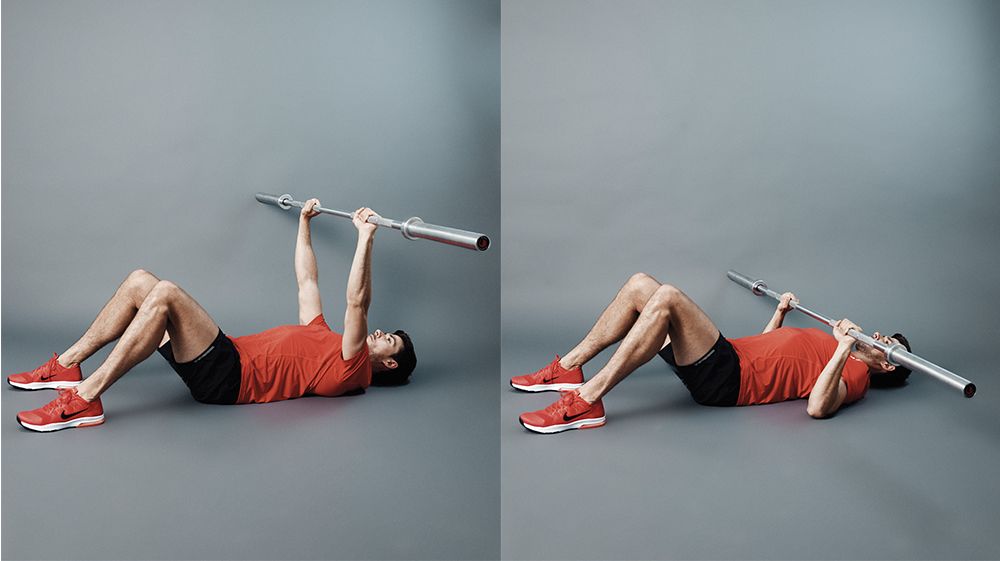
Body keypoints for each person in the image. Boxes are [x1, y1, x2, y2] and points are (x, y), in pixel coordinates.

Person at [9, 200, 417, 432]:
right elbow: (307, 282)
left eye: (389, 340)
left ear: (389, 362)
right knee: (140, 282)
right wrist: (304, 224)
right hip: (223, 358)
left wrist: (366, 238)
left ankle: (85, 399)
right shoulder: (324, 337)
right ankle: (66, 366)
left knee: (166, 292)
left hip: (229, 377)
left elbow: (357, 303)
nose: (379, 333)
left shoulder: (353, 368)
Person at [512, 272, 910, 434]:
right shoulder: (841, 350)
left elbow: (819, 407)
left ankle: (587, 401)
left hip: (727, 379)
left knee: (667, 297)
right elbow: (769, 350)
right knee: (640, 285)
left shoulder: (857, 377)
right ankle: (567, 368)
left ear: (889, 367)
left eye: (886, 343)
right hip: (731, 357)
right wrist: (779, 313)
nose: (877, 336)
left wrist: (843, 347)